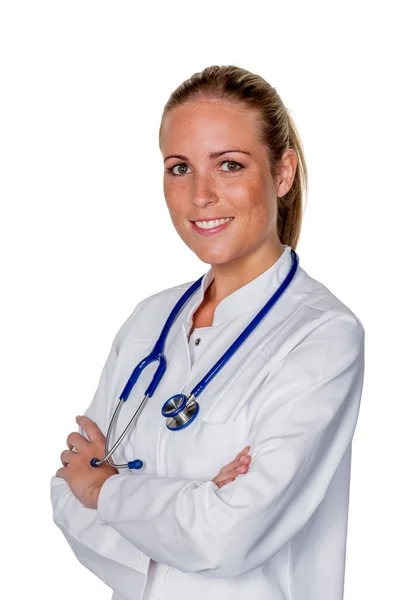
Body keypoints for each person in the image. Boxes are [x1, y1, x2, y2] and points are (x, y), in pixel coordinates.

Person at [50, 65, 365, 600]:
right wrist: (187, 502)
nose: (201, 194)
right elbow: (63, 494)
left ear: (282, 173)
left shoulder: (323, 335)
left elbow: (226, 537)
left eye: (230, 165)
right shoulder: (149, 322)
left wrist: (104, 488)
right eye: (179, 168)